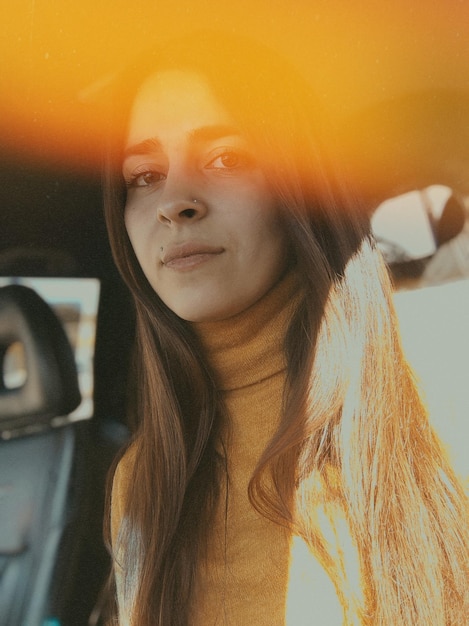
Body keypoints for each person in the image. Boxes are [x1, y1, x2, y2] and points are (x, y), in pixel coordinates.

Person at [102, 32, 468, 625]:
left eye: (226, 159)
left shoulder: (442, 384)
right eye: (144, 174)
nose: (175, 201)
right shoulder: (142, 479)